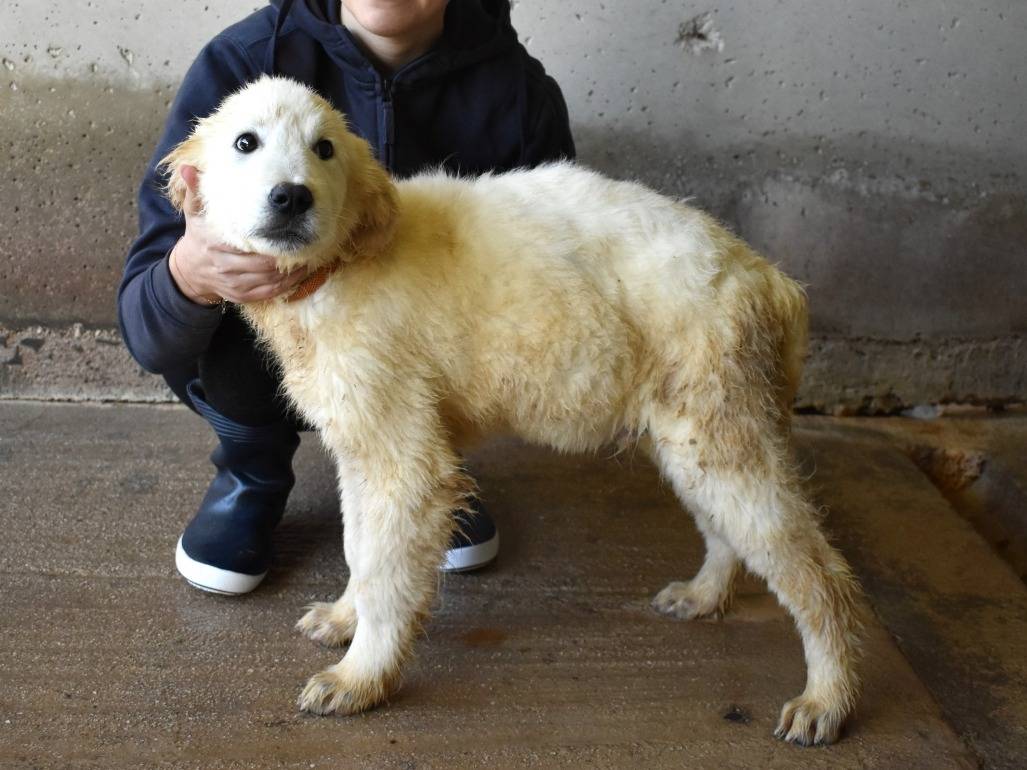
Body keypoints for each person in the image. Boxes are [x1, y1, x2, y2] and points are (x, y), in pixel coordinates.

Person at [117, 0, 575, 595]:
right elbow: (144, 327)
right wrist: (191, 273)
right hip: (264, 360)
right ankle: (251, 471)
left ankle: (430, 465)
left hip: (425, 365)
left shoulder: (519, 93)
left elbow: (548, 282)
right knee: (244, 273)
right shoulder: (242, 63)